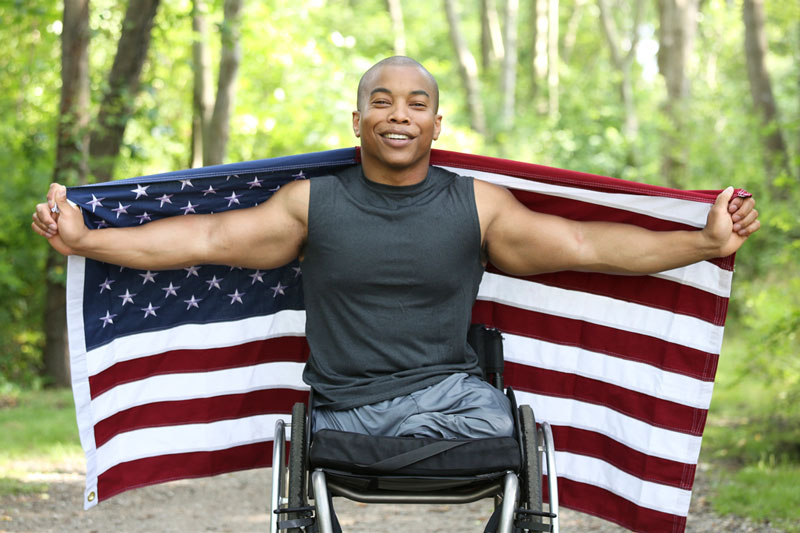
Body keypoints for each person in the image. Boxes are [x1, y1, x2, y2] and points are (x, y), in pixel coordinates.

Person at [32, 56, 760, 441]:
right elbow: (205, 237)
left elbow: (583, 243)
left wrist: (700, 241)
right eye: (382, 100)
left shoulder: (476, 204)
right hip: (342, 410)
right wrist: (87, 238)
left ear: (437, 123)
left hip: (455, 404)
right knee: (499, 427)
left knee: (514, 433)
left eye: (415, 103)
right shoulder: (312, 202)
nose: (399, 114)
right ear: (357, 119)